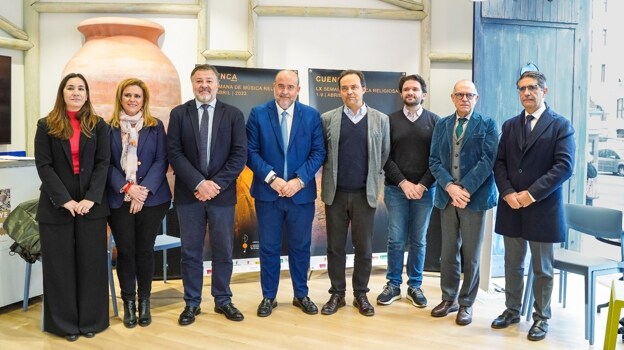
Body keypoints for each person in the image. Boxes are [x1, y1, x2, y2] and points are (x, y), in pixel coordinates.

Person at [491, 70, 575, 341]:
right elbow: (500, 162)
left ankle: (541, 318)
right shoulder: (510, 125)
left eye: (532, 88)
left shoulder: (560, 125)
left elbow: (564, 166)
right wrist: (507, 192)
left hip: (542, 208)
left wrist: (531, 194)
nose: (526, 93)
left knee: (542, 269)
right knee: (512, 264)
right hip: (511, 206)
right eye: (522, 89)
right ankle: (512, 310)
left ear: (544, 91)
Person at [167, 64, 247, 325]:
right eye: (199, 81)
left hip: (222, 196)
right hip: (189, 195)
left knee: (223, 250)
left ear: (218, 84)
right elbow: (175, 153)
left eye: (209, 80)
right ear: (192, 84)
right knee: (191, 251)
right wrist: (199, 183)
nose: (204, 85)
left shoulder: (233, 114)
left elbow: (239, 156)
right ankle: (192, 303)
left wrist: (215, 185)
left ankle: (223, 299)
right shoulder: (179, 114)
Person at [34, 73, 110, 341]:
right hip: (57, 207)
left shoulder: (99, 125)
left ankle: (91, 321)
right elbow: (44, 166)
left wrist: (90, 198)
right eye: (71, 88)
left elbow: (103, 163)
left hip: (92, 207)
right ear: (62, 92)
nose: (76, 92)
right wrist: (65, 200)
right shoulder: (46, 125)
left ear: (87, 94)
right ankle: (64, 324)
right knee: (60, 267)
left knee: (91, 265)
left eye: (81, 88)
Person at [246, 70, 325, 317]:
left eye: (290, 86)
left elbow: (318, 152)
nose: (285, 91)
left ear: (298, 90)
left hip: (300, 196)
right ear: (273, 87)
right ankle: (268, 297)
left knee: (300, 247)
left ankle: (301, 294)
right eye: (281, 86)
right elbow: (251, 152)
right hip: (268, 194)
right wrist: (273, 179)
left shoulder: (311, 116)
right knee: (268, 248)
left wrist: (299, 181)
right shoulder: (258, 114)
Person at [320, 70, 390, 317]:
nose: (350, 92)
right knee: (335, 248)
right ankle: (337, 294)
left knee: (364, 248)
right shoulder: (327, 118)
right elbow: (323, 153)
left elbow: (384, 154)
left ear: (364, 89)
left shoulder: (380, 119)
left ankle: (361, 293)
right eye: (345, 88)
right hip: (336, 195)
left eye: (354, 87)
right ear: (339, 91)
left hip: (364, 194)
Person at [428, 80, 498, 326]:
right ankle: (449, 298)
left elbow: (488, 161)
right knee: (448, 253)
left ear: (476, 98)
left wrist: (464, 189)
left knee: (471, 255)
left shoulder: (488, 125)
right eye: (460, 94)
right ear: (452, 97)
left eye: (469, 95)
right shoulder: (442, 124)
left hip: (474, 199)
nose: (465, 99)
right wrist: (449, 186)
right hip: (447, 198)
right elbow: (434, 160)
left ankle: (467, 304)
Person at [107, 78, 172, 328]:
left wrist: (142, 192)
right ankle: (129, 304)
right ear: (120, 98)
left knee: (144, 250)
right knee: (125, 252)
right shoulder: (108, 128)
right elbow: (106, 164)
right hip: (119, 199)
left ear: (144, 100)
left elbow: (161, 160)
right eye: (128, 95)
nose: (133, 100)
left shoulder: (156, 127)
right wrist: (128, 189)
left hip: (152, 199)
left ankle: (144, 301)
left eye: (137, 96)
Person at [376, 74, 440, 307]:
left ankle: (415, 286)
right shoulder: (388, 121)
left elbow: (438, 159)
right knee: (395, 239)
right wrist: (403, 183)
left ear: (424, 93)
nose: (410, 93)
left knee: (419, 240)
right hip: (396, 190)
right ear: (400, 94)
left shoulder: (435, 121)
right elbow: (385, 156)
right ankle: (393, 285)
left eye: (415, 89)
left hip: (425, 191)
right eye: (406, 89)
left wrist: (422, 185)